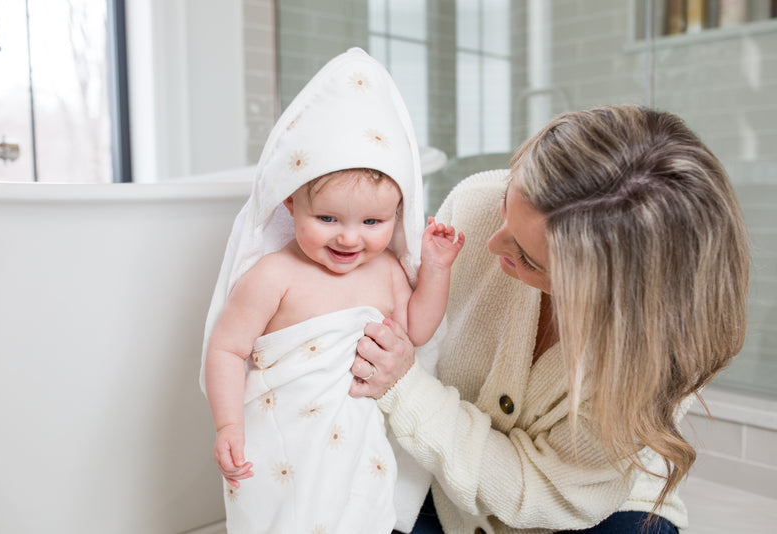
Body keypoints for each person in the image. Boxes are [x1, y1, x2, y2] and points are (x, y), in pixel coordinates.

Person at [351, 104, 751, 534]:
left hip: (583, 511)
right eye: (507, 205)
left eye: (526, 257)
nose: (491, 243)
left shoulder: (658, 351)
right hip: (439, 476)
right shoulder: (473, 206)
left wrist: (405, 389)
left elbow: (536, 490)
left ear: (607, 294)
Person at [199, 48, 463, 534]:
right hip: (280, 441)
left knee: (358, 516)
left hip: (355, 445)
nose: (349, 237)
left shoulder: (385, 271)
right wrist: (229, 426)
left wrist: (438, 269)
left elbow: (418, 332)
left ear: (397, 215)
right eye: (327, 219)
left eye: (372, 221)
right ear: (290, 203)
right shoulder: (275, 274)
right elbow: (226, 348)